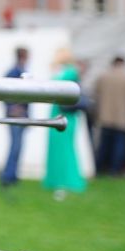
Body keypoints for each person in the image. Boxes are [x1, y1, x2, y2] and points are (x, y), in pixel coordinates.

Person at [42, 47, 87, 199]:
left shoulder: (69, 72)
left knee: (65, 148)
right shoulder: (65, 71)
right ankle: (56, 179)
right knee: (57, 148)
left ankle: (66, 180)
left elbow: (58, 87)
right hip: (58, 111)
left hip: (65, 113)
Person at [93, 55, 125, 176]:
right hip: (122, 117)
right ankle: (114, 170)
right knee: (119, 145)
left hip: (105, 116)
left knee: (104, 144)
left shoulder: (103, 76)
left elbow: (95, 93)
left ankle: (99, 167)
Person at [0, 46, 32, 188]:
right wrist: (12, 108)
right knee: (15, 146)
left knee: (18, 147)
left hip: (22, 116)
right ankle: (8, 175)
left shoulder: (22, 71)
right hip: (16, 116)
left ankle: (12, 175)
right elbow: (4, 93)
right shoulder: (13, 72)